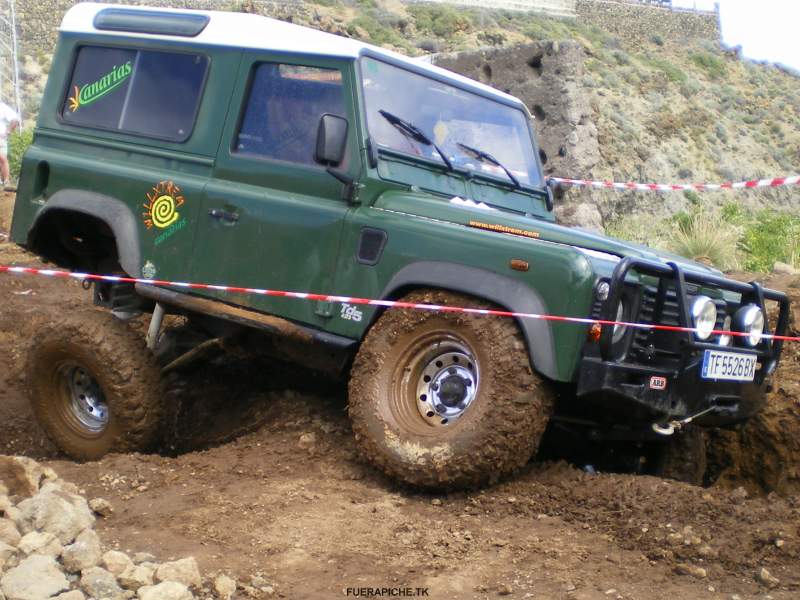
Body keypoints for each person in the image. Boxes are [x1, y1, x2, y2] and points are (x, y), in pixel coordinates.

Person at [0, 101, 20, 188]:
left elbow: (15, 119)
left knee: (2, 158)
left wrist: (7, 132)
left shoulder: (2, 107)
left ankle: (6, 181)